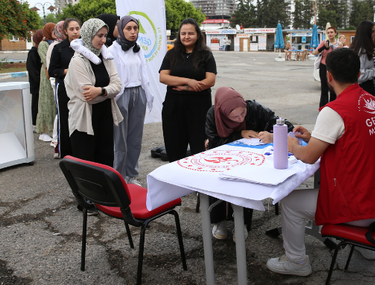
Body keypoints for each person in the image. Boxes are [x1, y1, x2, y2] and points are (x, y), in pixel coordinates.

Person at [266, 48, 375, 277]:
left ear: (328, 76)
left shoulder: (335, 110)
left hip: (362, 208)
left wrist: (291, 146)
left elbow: (309, 157)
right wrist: (313, 137)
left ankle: (296, 261)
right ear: (359, 74)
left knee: (289, 203)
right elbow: (355, 140)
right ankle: (368, 248)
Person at [205, 87, 294, 240]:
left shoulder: (254, 108)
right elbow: (213, 144)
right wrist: (239, 134)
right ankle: (219, 221)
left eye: (243, 114)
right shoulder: (213, 114)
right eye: (234, 117)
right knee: (218, 180)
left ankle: (243, 222)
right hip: (222, 159)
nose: (240, 119)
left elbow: (285, 125)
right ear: (223, 113)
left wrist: (272, 134)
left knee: (246, 180)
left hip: (251, 159)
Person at [64, 18, 122, 165]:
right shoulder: (78, 61)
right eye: (100, 35)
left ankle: (105, 189)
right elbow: (88, 97)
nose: (104, 40)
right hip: (84, 118)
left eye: (105, 35)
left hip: (105, 116)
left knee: (106, 160)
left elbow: (118, 86)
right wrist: (107, 93)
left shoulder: (106, 57)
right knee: (87, 163)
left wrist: (100, 91)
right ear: (89, 35)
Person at [159, 18, 217, 162]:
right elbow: (163, 77)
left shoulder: (206, 55)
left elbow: (210, 81)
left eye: (190, 33)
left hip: (199, 108)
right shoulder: (172, 54)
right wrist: (188, 81)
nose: (186, 36)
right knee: (174, 148)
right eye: (183, 33)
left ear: (198, 35)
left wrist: (186, 88)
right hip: (174, 107)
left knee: (200, 149)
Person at [107, 15, 153, 185]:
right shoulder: (112, 50)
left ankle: (131, 175)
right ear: (121, 29)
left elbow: (144, 74)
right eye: (128, 28)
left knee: (135, 137)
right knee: (120, 140)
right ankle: (119, 177)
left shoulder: (138, 48)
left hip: (138, 93)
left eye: (135, 28)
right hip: (121, 94)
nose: (133, 32)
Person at [49, 18, 81, 158]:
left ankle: (79, 151)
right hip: (64, 88)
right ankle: (66, 153)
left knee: (80, 119)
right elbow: (52, 70)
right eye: (72, 29)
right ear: (66, 32)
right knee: (65, 119)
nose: (75, 32)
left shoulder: (84, 47)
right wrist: (69, 70)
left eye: (77, 28)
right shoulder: (59, 48)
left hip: (81, 88)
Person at [350, 20, 375, 96]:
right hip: (363, 88)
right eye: (373, 31)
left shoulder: (364, 48)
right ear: (366, 33)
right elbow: (360, 75)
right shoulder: (361, 51)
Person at [46, 21, 64, 156]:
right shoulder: (54, 47)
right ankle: (57, 143)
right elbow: (50, 68)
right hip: (57, 82)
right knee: (60, 114)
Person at [36, 23, 57, 142]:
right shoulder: (43, 45)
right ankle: (43, 131)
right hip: (47, 76)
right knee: (46, 103)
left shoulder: (54, 43)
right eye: (52, 30)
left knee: (53, 103)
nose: (55, 32)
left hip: (53, 76)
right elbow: (47, 61)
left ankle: (51, 129)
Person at [312, 26, 339, 107]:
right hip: (324, 66)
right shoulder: (324, 42)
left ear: (335, 33)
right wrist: (323, 47)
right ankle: (323, 106)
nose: (330, 34)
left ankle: (333, 106)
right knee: (324, 88)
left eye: (331, 32)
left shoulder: (339, 44)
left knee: (333, 88)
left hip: (334, 67)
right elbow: (315, 52)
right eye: (328, 32)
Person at [26, 31, 42, 127]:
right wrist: (39, 80)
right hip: (36, 84)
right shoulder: (33, 53)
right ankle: (34, 123)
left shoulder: (40, 50)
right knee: (36, 103)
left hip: (40, 82)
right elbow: (32, 70)